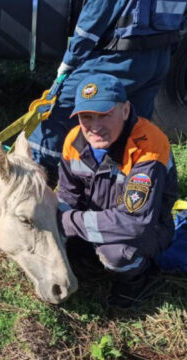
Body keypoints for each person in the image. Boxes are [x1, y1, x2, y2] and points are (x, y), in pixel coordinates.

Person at [29, 0, 187, 188]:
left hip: (119, 57)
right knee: (133, 126)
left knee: (59, 109)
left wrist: (70, 60)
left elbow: (93, 19)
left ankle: (36, 178)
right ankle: (131, 184)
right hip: (158, 58)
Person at [56, 73, 178, 308]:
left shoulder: (148, 148)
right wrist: (58, 224)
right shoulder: (73, 141)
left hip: (148, 228)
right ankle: (91, 259)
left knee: (116, 253)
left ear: (125, 110)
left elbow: (135, 222)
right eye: (86, 117)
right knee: (58, 243)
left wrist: (70, 223)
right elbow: (67, 195)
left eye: (104, 115)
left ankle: (136, 277)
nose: (94, 127)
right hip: (95, 220)